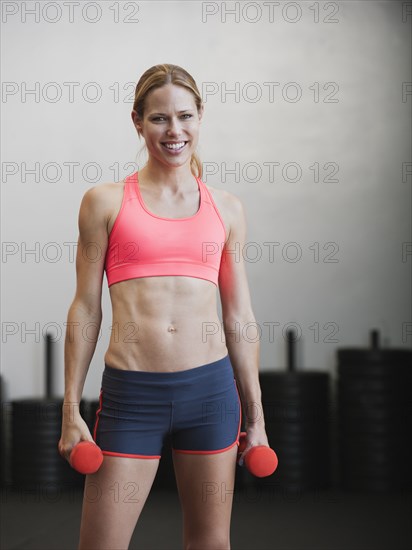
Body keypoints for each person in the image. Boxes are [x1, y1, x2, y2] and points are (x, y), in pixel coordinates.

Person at [58, 63, 270, 550]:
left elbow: (240, 319)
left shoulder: (227, 208)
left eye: (185, 116)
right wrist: (70, 408)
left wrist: (255, 417)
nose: (174, 131)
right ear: (137, 120)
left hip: (211, 394)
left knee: (210, 544)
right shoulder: (104, 202)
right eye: (158, 119)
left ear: (200, 118)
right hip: (134, 396)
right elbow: (85, 308)